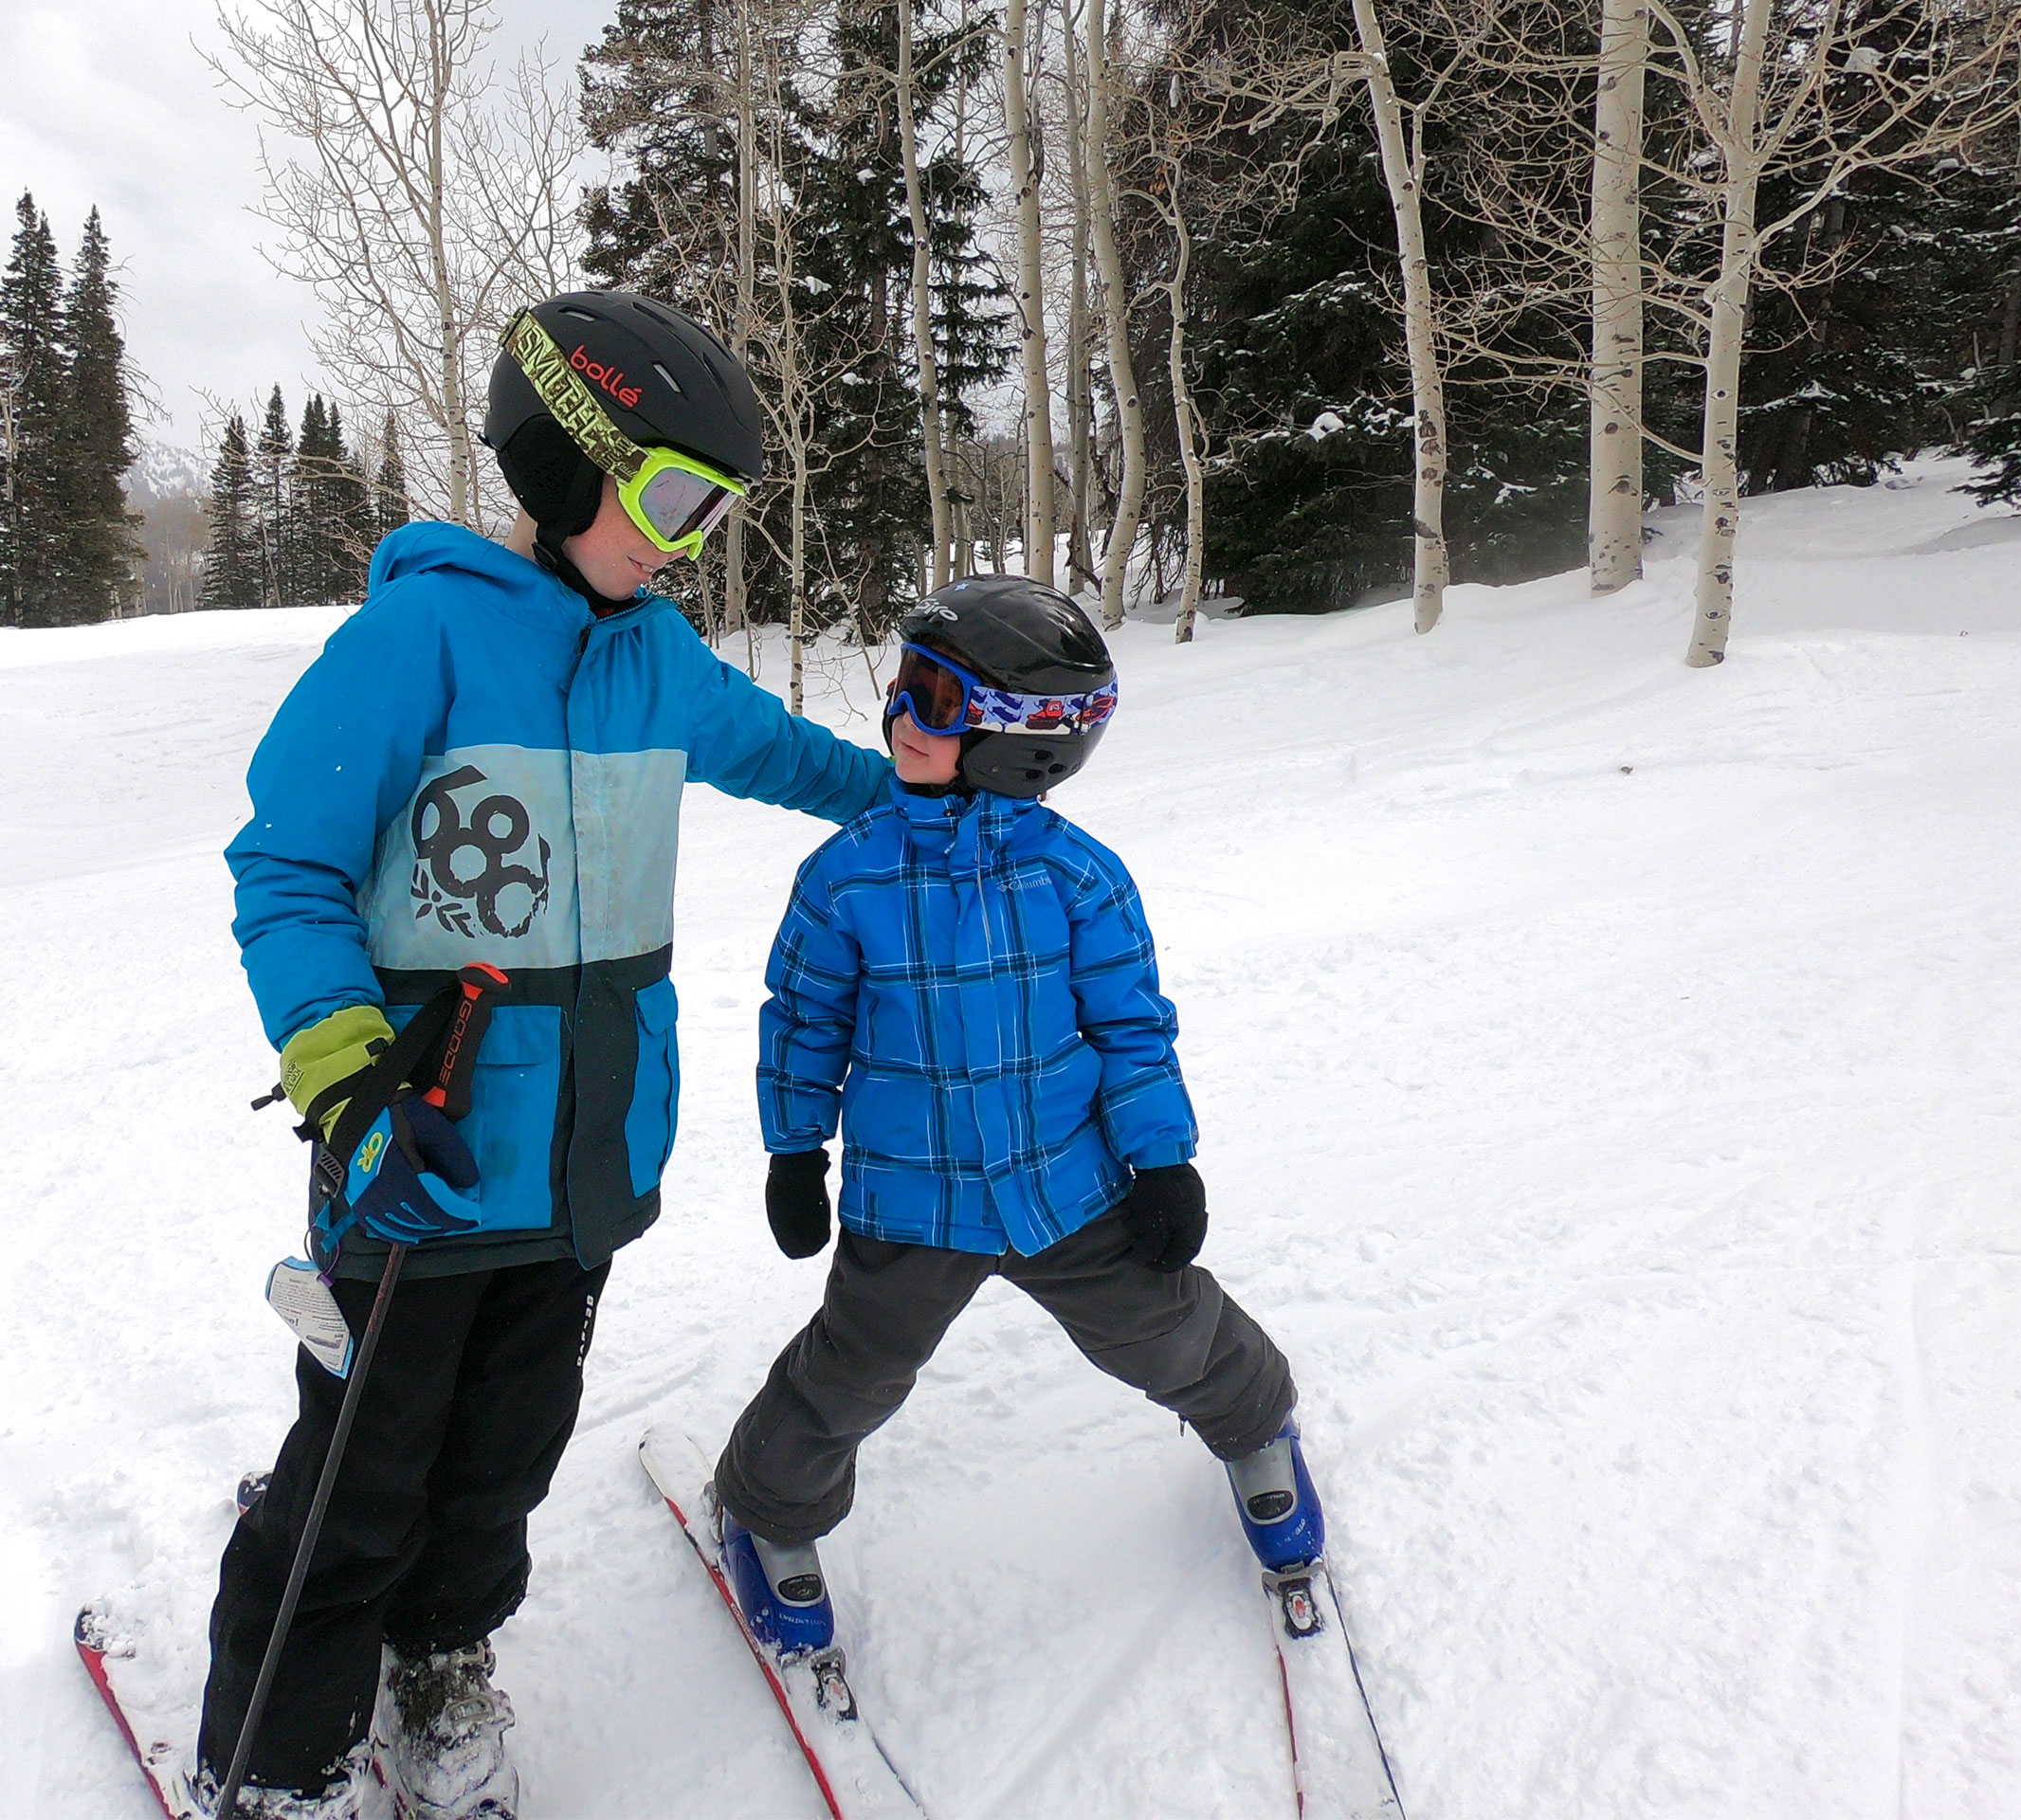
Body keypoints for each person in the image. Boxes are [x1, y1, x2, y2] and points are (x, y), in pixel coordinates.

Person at [198, 291, 891, 1819]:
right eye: (671, 501)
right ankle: (279, 1755)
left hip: (584, 1165)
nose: (689, 541)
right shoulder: (421, 636)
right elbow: (287, 868)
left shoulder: (656, 661)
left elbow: (790, 758)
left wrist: (925, 799)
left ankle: (445, 1661)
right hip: (418, 1156)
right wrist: (348, 1076)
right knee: (358, 1483)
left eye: (711, 512)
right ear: (572, 465)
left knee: (507, 1450)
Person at [706, 574, 1323, 1665]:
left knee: (1166, 1329)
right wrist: (793, 1149)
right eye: (903, 688)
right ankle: (764, 1504)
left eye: (934, 700)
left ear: (1016, 738)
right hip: (912, 1198)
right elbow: (802, 1017)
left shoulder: (1078, 877)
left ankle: (1256, 1422)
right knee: (851, 1374)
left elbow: (1134, 1030)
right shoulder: (847, 877)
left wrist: (1164, 1161)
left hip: (1068, 1186)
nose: (899, 716)